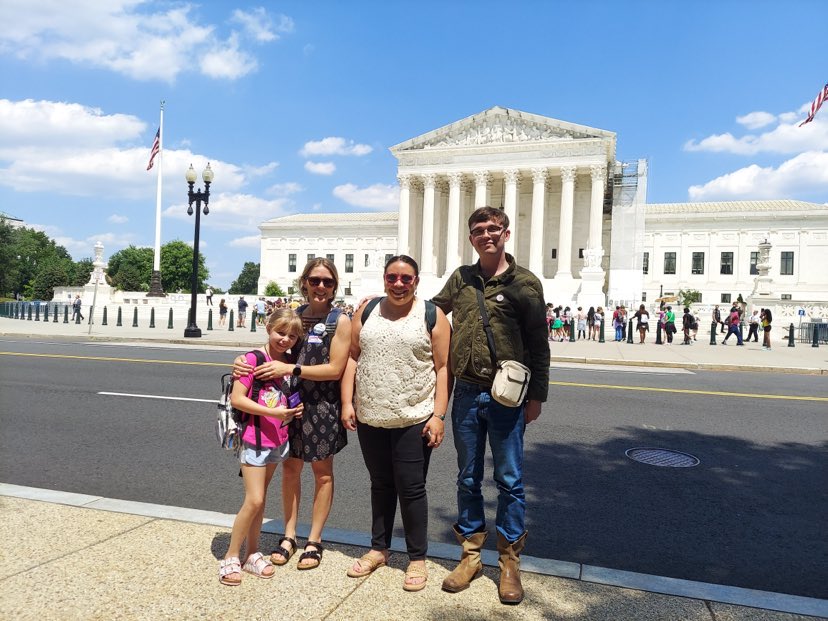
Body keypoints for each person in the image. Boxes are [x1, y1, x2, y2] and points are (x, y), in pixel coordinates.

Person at [431, 206, 549, 605]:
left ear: (506, 233)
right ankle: (470, 557)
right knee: (467, 477)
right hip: (465, 391)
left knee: (510, 480)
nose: (486, 235)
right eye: (479, 230)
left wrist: (537, 396)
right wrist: (380, 304)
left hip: (506, 397)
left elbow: (539, 344)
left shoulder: (526, 283)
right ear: (471, 238)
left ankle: (510, 562)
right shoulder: (461, 279)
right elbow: (432, 312)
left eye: (493, 229)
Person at [341, 255, 451, 591]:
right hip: (371, 415)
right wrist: (347, 401)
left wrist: (438, 415)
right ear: (384, 279)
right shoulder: (368, 310)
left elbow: (444, 367)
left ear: (416, 280)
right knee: (380, 484)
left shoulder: (433, 315)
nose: (399, 284)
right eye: (392, 277)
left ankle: (417, 557)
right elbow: (353, 355)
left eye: (406, 278)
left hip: (413, 416)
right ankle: (379, 549)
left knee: (411, 487)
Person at [233, 258, 350, 570]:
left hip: (323, 405)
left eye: (327, 281)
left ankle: (315, 538)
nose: (321, 287)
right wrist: (242, 362)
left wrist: (291, 367)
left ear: (335, 285)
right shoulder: (295, 316)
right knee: (290, 470)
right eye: (315, 281)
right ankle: (289, 534)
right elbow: (272, 347)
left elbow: (336, 369)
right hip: (290, 404)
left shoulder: (340, 320)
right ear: (305, 283)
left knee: (322, 473)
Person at [219, 308, 305, 586]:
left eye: (292, 336)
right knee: (254, 500)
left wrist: (293, 409)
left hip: (277, 439)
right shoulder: (252, 360)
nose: (285, 339)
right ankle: (231, 555)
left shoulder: (289, 361)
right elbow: (238, 399)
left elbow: (285, 395)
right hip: (255, 439)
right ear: (268, 328)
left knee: (260, 500)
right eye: (281, 333)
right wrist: (274, 414)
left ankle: (252, 552)